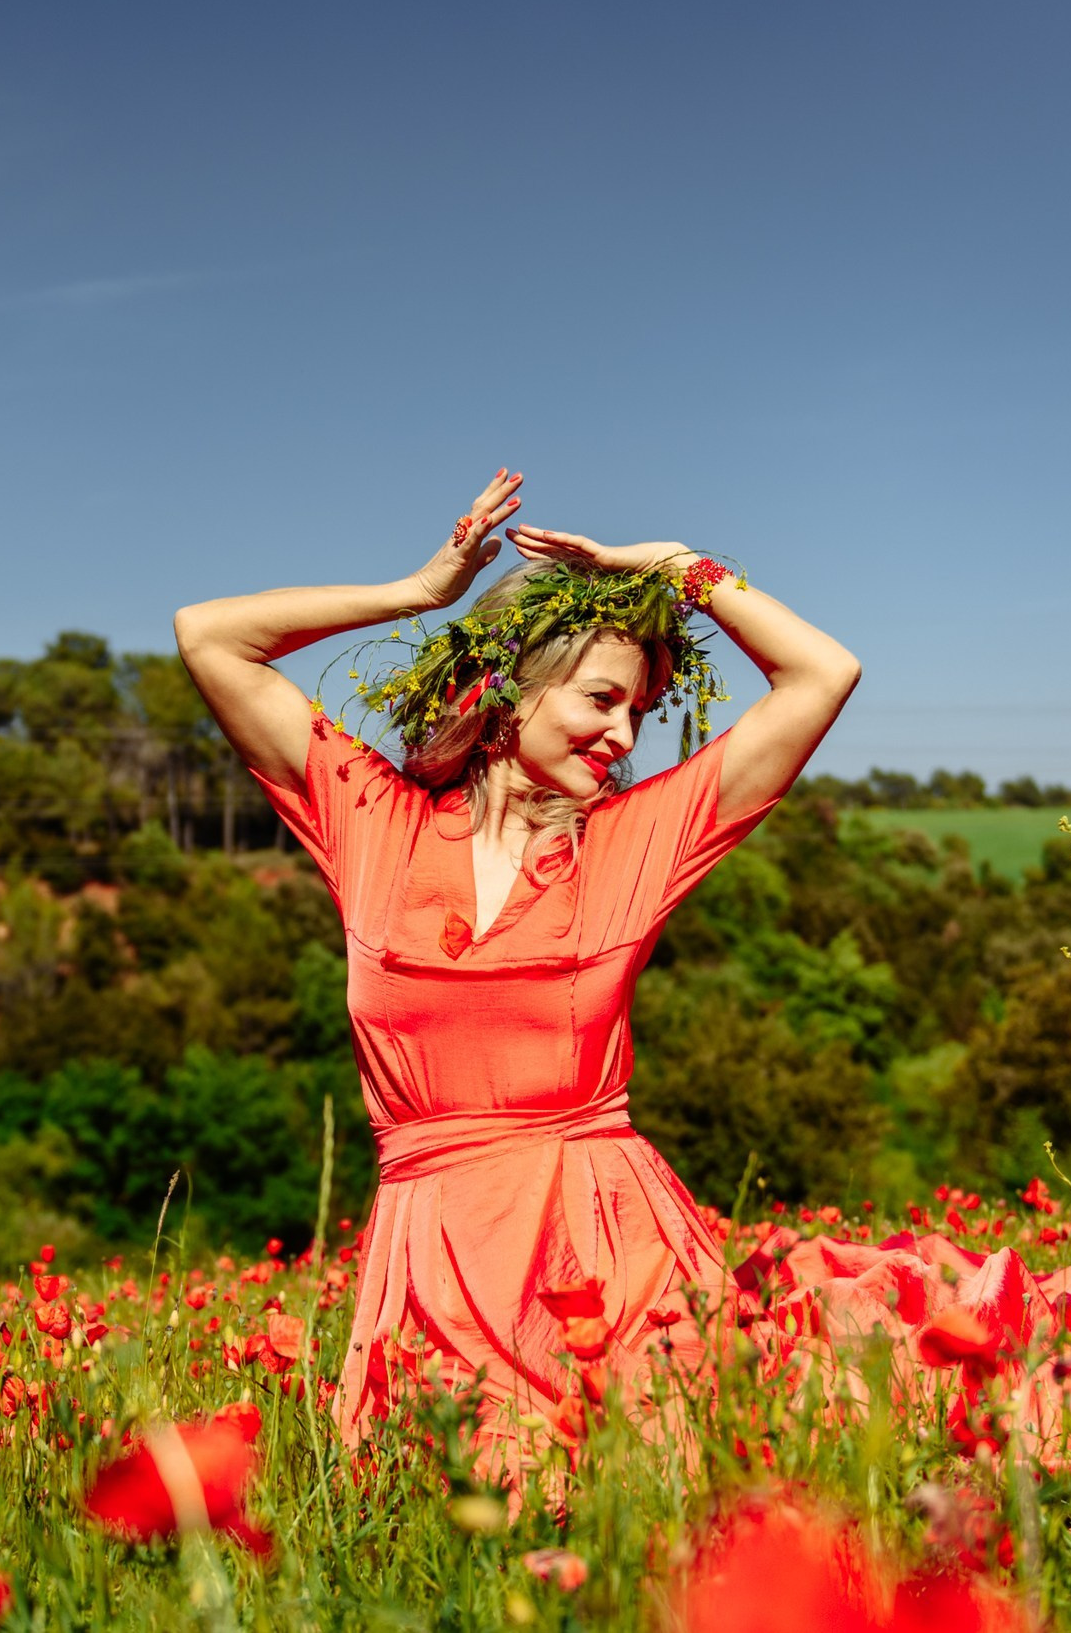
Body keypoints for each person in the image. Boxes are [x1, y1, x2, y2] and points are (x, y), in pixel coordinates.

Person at [174, 469, 861, 1464]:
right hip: (431, 1253)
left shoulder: (637, 838)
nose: (623, 735)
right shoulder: (370, 818)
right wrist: (418, 594)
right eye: (600, 697)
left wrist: (671, 565)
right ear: (511, 682)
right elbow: (209, 635)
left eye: (642, 708)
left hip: (606, 1252)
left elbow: (822, 672)